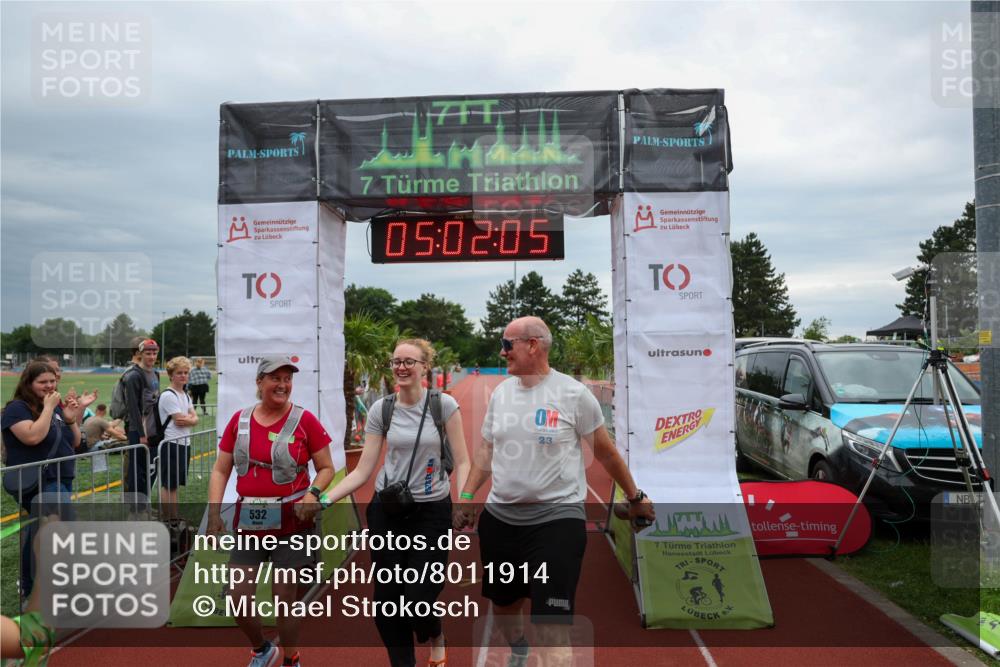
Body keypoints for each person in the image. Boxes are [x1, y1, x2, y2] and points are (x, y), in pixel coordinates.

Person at [453, 316, 655, 667]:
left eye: (507, 344)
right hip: (501, 520)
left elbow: (606, 453)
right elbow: (486, 450)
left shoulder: (573, 394)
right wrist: (468, 498)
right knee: (504, 607)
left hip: (557, 520)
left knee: (551, 623)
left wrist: (635, 498)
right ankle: (518, 649)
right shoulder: (501, 394)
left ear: (532, 344)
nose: (502, 353)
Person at [318, 339, 471, 667]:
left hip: (431, 511)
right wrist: (324, 499)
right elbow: (363, 470)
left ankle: (437, 634)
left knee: (419, 598)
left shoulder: (443, 406)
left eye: (409, 361)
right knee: (387, 603)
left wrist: (464, 501)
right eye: (396, 361)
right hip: (387, 511)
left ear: (424, 367)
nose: (401, 367)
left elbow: (463, 460)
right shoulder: (381, 408)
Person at [207, 356, 334, 667]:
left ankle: (291, 658)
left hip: (292, 526)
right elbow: (221, 470)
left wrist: (313, 493)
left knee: (284, 602)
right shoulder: (240, 420)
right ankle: (263, 648)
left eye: (287, 379)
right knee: (238, 601)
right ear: (259, 382)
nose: (282, 385)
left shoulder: (305, 421)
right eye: (275, 378)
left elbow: (327, 467)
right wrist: (213, 514)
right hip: (249, 525)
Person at [1, 361, 85, 601]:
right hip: (38, 479)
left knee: (42, 530)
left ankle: (36, 587)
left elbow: (75, 442)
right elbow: (32, 437)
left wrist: (69, 419)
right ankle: (39, 587)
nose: (49, 386)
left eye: (52, 381)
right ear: (29, 383)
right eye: (43, 382)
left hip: (61, 475)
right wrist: (49, 408)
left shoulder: (54, 407)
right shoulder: (17, 408)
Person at [156, 357, 199, 521]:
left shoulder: (185, 394)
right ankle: (168, 518)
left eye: (186, 373)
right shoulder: (169, 395)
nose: (183, 376)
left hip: (183, 443)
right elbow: (180, 420)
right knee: (168, 484)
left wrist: (192, 419)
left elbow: (194, 418)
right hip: (171, 443)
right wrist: (192, 419)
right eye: (179, 373)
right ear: (171, 375)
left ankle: (173, 517)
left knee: (174, 485)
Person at [122, 339, 161, 506]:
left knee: (151, 468)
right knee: (137, 471)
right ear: (140, 354)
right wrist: (141, 434)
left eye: (154, 353)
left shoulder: (156, 373)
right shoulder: (133, 376)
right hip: (138, 431)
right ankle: (135, 509)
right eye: (148, 353)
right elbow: (133, 408)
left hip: (153, 430)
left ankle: (144, 505)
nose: (151, 356)